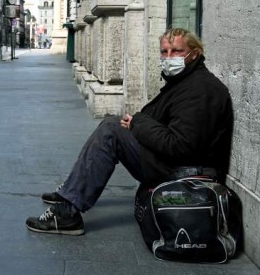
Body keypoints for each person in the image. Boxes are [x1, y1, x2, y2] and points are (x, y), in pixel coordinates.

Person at [26, 27, 234, 235]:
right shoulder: (184, 82)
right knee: (112, 125)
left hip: (184, 174)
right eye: (164, 51)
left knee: (111, 130)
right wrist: (138, 122)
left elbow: (180, 145)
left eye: (177, 51)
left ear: (195, 53)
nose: (169, 57)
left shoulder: (200, 89)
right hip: (172, 165)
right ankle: (73, 191)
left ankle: (67, 210)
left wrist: (138, 123)